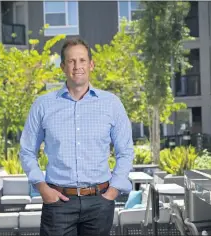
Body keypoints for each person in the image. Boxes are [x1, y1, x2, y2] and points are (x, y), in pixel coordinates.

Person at [19, 37, 134, 236]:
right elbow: (27, 151)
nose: (77, 66)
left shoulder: (111, 104)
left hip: (100, 201)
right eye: (71, 61)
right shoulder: (43, 105)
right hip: (58, 203)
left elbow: (125, 151)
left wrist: (113, 191)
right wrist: (42, 188)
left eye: (82, 60)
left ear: (91, 65)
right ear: (63, 66)